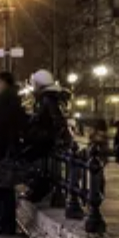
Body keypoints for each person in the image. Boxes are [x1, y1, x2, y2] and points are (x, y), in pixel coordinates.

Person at [0, 71, 28, 234]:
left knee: (3, 189)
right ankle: (3, 223)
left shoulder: (4, 101)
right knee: (2, 188)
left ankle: (5, 225)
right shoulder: (9, 99)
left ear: (2, 83)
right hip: (2, 150)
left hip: (1, 152)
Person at [22, 69, 73, 201]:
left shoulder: (47, 99)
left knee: (29, 161)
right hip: (48, 140)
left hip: (46, 141)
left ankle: (38, 190)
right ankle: (37, 189)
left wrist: (41, 134)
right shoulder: (52, 97)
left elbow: (56, 121)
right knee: (38, 165)